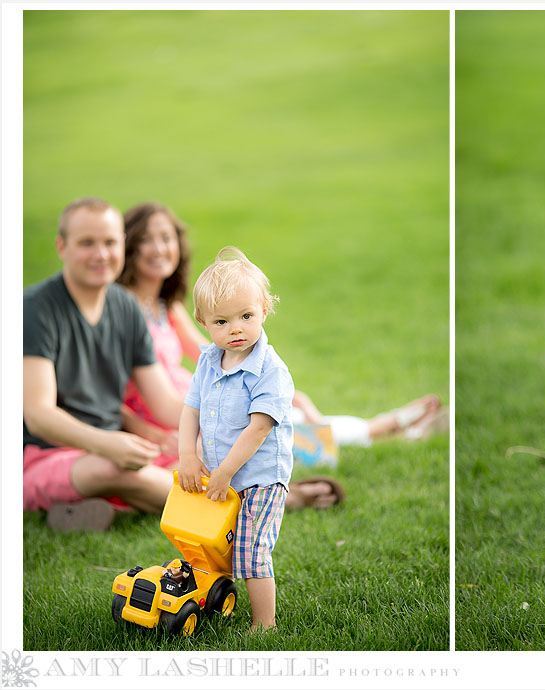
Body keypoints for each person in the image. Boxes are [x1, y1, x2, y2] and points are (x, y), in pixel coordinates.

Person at [116, 202, 445, 508]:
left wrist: (258, 389)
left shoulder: (167, 306)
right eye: (147, 240)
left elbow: (210, 350)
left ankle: (389, 427)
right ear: (129, 247)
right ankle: (388, 428)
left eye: (166, 237)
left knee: (285, 414)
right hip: (177, 414)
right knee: (278, 429)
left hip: (207, 398)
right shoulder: (122, 309)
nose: (159, 248)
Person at [22, 198, 186, 531]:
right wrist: (105, 443)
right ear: (61, 246)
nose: (101, 254)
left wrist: (228, 416)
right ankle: (231, 509)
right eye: (87, 243)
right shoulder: (35, 308)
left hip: (112, 449)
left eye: (110, 242)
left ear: (122, 246)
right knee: (112, 469)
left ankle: (98, 508)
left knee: (192, 458)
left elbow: (166, 405)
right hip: (43, 456)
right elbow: (38, 415)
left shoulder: (126, 307)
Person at [177, 246, 293, 632]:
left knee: (252, 550)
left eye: (246, 316)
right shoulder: (209, 361)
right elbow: (190, 410)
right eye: (222, 322)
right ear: (203, 322)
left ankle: (265, 625)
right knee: (213, 544)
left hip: (259, 477)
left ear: (264, 309)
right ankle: (212, 597)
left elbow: (258, 428)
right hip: (222, 474)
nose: (236, 329)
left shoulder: (270, 371)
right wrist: (188, 457)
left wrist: (225, 471)